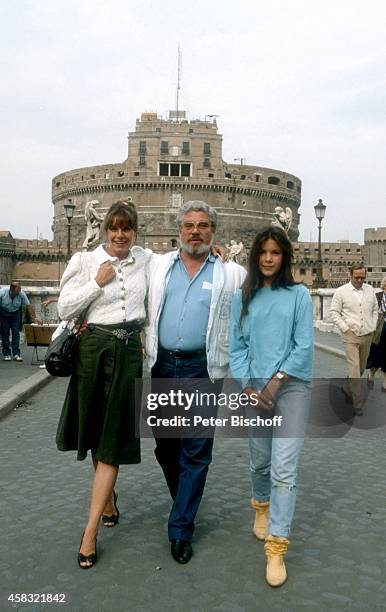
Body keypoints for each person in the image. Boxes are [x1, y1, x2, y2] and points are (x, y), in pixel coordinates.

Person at [144, 200, 246, 564]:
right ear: (179, 230)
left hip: (203, 370)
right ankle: (184, 500)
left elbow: (255, 308)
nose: (196, 231)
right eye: (189, 225)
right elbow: (117, 255)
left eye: (203, 225)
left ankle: (180, 528)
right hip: (161, 367)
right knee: (166, 448)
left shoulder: (230, 273)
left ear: (213, 231)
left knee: (196, 451)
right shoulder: (157, 266)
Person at [56, 200, 150, 569]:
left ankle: (90, 531)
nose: (120, 235)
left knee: (113, 437)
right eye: (115, 228)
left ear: (136, 232)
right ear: (105, 229)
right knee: (96, 430)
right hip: (94, 349)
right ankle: (108, 500)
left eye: (127, 229)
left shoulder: (145, 260)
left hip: (128, 352)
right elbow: (64, 309)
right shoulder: (84, 261)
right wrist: (96, 284)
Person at [230, 226, 313, 587]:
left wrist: (276, 382)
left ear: (285, 257)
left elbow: (304, 345)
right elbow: (237, 347)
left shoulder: (299, 295)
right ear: (254, 256)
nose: (267, 258)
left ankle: (276, 548)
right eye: (262, 252)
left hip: (291, 387)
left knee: (284, 468)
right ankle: (260, 506)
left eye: (275, 253)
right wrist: (250, 387)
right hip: (254, 391)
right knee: (260, 459)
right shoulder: (243, 296)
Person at [329, 265, 378, 414]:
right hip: (350, 335)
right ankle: (357, 403)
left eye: (362, 277)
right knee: (355, 367)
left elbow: (375, 309)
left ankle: (347, 387)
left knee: (361, 368)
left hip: (367, 334)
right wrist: (345, 328)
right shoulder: (341, 292)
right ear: (350, 275)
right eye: (356, 277)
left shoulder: (370, 290)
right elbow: (334, 312)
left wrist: (373, 323)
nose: (359, 280)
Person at [0, 281, 38, 361]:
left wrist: (35, 318)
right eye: (18, 290)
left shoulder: (21, 293)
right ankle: (7, 354)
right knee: (5, 333)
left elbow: (29, 306)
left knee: (16, 333)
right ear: (12, 290)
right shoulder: (3, 292)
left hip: (15, 314)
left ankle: (16, 354)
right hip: (4, 313)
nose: (19, 291)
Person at [366, 276, 386, 392]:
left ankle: (385, 384)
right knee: (376, 357)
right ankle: (371, 374)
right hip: (378, 333)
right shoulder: (377, 297)